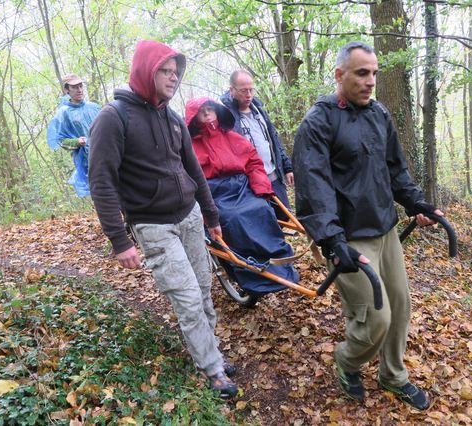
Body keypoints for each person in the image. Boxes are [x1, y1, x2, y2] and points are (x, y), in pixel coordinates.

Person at [292, 41, 445, 410]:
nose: (371, 81)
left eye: (374, 73)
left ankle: (393, 375)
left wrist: (415, 202)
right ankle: (348, 361)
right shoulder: (318, 122)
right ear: (339, 75)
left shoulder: (379, 114)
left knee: (400, 306)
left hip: (385, 228)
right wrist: (331, 240)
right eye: (362, 73)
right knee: (376, 316)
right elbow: (314, 189)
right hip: (347, 237)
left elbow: (395, 170)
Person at [88, 40, 238, 399]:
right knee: (186, 298)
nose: (173, 78)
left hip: (190, 216)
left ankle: (210, 351)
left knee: (203, 292)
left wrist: (211, 215)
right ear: (146, 71)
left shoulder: (172, 117)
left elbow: (193, 170)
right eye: (165, 71)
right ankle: (212, 368)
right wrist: (119, 241)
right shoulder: (113, 117)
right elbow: (102, 181)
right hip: (153, 225)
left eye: (176, 72)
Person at [185, 97, 298, 296]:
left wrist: (261, 189)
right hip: (213, 193)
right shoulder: (189, 147)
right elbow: (187, 177)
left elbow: (253, 162)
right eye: (202, 111)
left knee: (263, 209)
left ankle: (277, 260)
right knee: (234, 219)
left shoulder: (232, 137)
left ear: (217, 112)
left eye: (210, 109)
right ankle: (250, 270)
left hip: (241, 187)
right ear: (193, 118)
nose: (207, 114)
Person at [220, 70, 294, 218]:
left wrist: (287, 167)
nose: (248, 94)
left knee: (285, 218)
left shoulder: (259, 110)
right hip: (250, 183)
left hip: (273, 176)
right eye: (243, 90)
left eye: (251, 89)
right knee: (265, 223)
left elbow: (274, 139)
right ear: (232, 90)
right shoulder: (225, 117)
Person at [47, 74, 101, 197]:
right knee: (101, 194)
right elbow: (60, 140)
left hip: (106, 156)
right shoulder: (63, 113)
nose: (79, 90)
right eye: (75, 87)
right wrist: (76, 142)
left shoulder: (94, 107)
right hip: (87, 162)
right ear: (67, 90)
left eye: (80, 86)